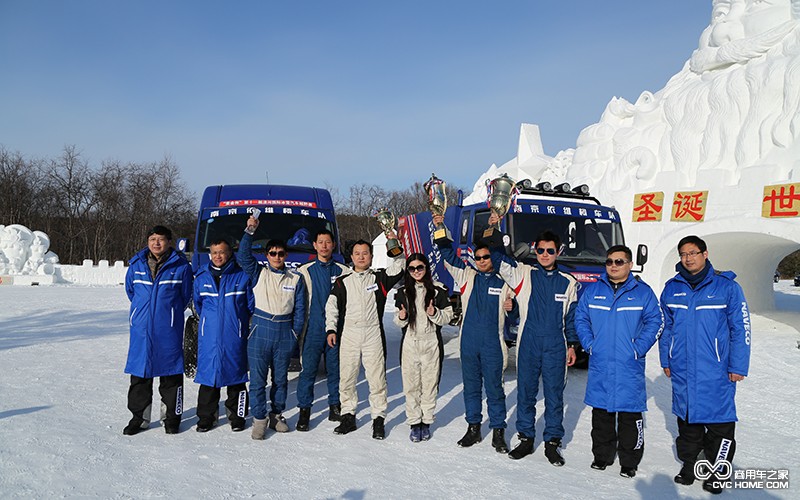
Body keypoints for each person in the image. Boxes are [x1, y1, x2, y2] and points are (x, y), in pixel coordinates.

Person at [659, 235, 750, 495]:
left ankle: (719, 471)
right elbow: (667, 327)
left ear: (705, 254)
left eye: (693, 253)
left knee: (720, 422)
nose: (688, 258)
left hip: (717, 369)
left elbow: (740, 328)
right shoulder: (672, 287)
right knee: (686, 420)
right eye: (683, 254)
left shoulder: (727, 287)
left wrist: (738, 366)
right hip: (683, 367)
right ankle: (690, 465)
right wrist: (666, 358)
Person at [487, 220, 579, 465]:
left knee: (554, 396)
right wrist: (494, 229)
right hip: (528, 344)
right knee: (526, 394)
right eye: (540, 250)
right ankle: (526, 439)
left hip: (555, 347)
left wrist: (572, 345)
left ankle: (552, 443)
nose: (545, 255)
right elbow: (497, 260)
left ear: (558, 252)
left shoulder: (568, 282)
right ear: (534, 250)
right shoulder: (524, 274)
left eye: (550, 250)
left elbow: (571, 317)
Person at [574, 245, 663, 478]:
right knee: (601, 414)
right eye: (610, 261)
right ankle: (601, 456)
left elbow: (656, 320)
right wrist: (589, 343)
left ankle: (629, 461)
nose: (614, 266)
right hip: (601, 362)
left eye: (619, 261)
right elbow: (580, 317)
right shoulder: (594, 291)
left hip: (628, 364)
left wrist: (638, 348)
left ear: (630, 265)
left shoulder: (643, 293)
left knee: (629, 415)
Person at [433, 215, 516, 453]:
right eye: (477, 257)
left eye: (485, 257)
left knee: (495, 389)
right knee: (471, 387)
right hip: (468, 343)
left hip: (493, 344)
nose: (481, 260)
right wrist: (441, 227)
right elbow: (448, 257)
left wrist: (513, 308)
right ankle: (473, 428)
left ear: (492, 258)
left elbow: (517, 306)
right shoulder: (468, 277)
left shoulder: (504, 282)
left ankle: (498, 431)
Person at [325, 237, 404, 440]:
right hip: (350, 332)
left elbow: (399, 266)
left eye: (365, 253)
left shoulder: (380, 278)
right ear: (351, 257)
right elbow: (331, 307)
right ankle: (348, 416)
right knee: (347, 377)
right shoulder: (342, 281)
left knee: (377, 378)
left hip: (372, 333)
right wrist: (331, 329)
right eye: (357, 253)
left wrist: (393, 242)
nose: (361, 257)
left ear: (371, 256)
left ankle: (378, 418)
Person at [237, 215, 306, 440]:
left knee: (280, 379)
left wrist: (294, 332)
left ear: (286, 255)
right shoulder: (259, 273)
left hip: (284, 331)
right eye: (272, 253)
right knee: (257, 380)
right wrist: (250, 231)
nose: (277, 257)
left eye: (281, 253)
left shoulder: (295, 278)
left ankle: (277, 415)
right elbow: (242, 256)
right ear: (267, 256)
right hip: (260, 329)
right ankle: (259, 419)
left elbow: (300, 309)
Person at [123, 225, 193, 435]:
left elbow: (185, 296)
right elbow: (131, 291)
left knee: (171, 374)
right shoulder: (136, 265)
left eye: (161, 239)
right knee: (140, 376)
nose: (156, 243)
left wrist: (167, 314)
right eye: (152, 239)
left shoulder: (181, 266)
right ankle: (139, 418)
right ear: (148, 241)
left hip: (168, 329)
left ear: (169, 242)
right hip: (141, 330)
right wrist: (141, 314)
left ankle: (171, 418)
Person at [192, 238, 254, 433]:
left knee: (236, 377)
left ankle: (237, 416)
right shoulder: (201, 277)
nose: (218, 256)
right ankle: (205, 417)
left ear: (229, 254)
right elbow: (198, 304)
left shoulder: (241, 276)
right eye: (214, 252)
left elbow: (250, 305)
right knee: (208, 378)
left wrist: (237, 324)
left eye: (222, 252)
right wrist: (208, 324)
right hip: (209, 337)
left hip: (234, 336)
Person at [393, 253, 453, 442]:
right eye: (412, 268)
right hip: (410, 342)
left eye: (420, 267)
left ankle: (425, 422)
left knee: (429, 385)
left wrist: (434, 313)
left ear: (426, 268)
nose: (416, 271)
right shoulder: (403, 292)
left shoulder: (438, 290)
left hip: (430, 342)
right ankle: (414, 422)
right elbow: (398, 321)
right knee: (411, 386)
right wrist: (402, 317)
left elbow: (448, 316)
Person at [295, 229, 350, 431]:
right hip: (313, 330)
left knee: (335, 370)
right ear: (315, 245)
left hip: (336, 330)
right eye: (321, 242)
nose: (324, 245)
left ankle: (334, 406)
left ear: (333, 245)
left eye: (328, 242)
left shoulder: (344, 271)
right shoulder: (305, 271)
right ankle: (304, 411)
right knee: (308, 371)